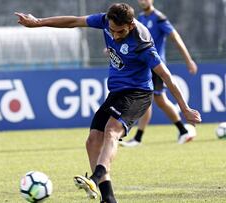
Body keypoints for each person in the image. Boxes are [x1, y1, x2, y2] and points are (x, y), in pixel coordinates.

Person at [15, 3, 201, 203]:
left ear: (130, 25)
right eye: (111, 31)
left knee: (112, 131)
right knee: (93, 140)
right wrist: (38, 23)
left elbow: (166, 76)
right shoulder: (106, 20)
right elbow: (74, 21)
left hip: (138, 94)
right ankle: (108, 198)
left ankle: (95, 178)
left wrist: (185, 108)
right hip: (117, 92)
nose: (114, 35)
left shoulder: (142, 42)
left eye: (119, 32)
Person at [119, 0, 199, 147]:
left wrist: (188, 60)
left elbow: (175, 37)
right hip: (143, 65)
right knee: (153, 100)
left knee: (156, 99)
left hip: (155, 66)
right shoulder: (140, 19)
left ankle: (140, 137)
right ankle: (180, 131)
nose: (143, 1)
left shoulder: (159, 18)